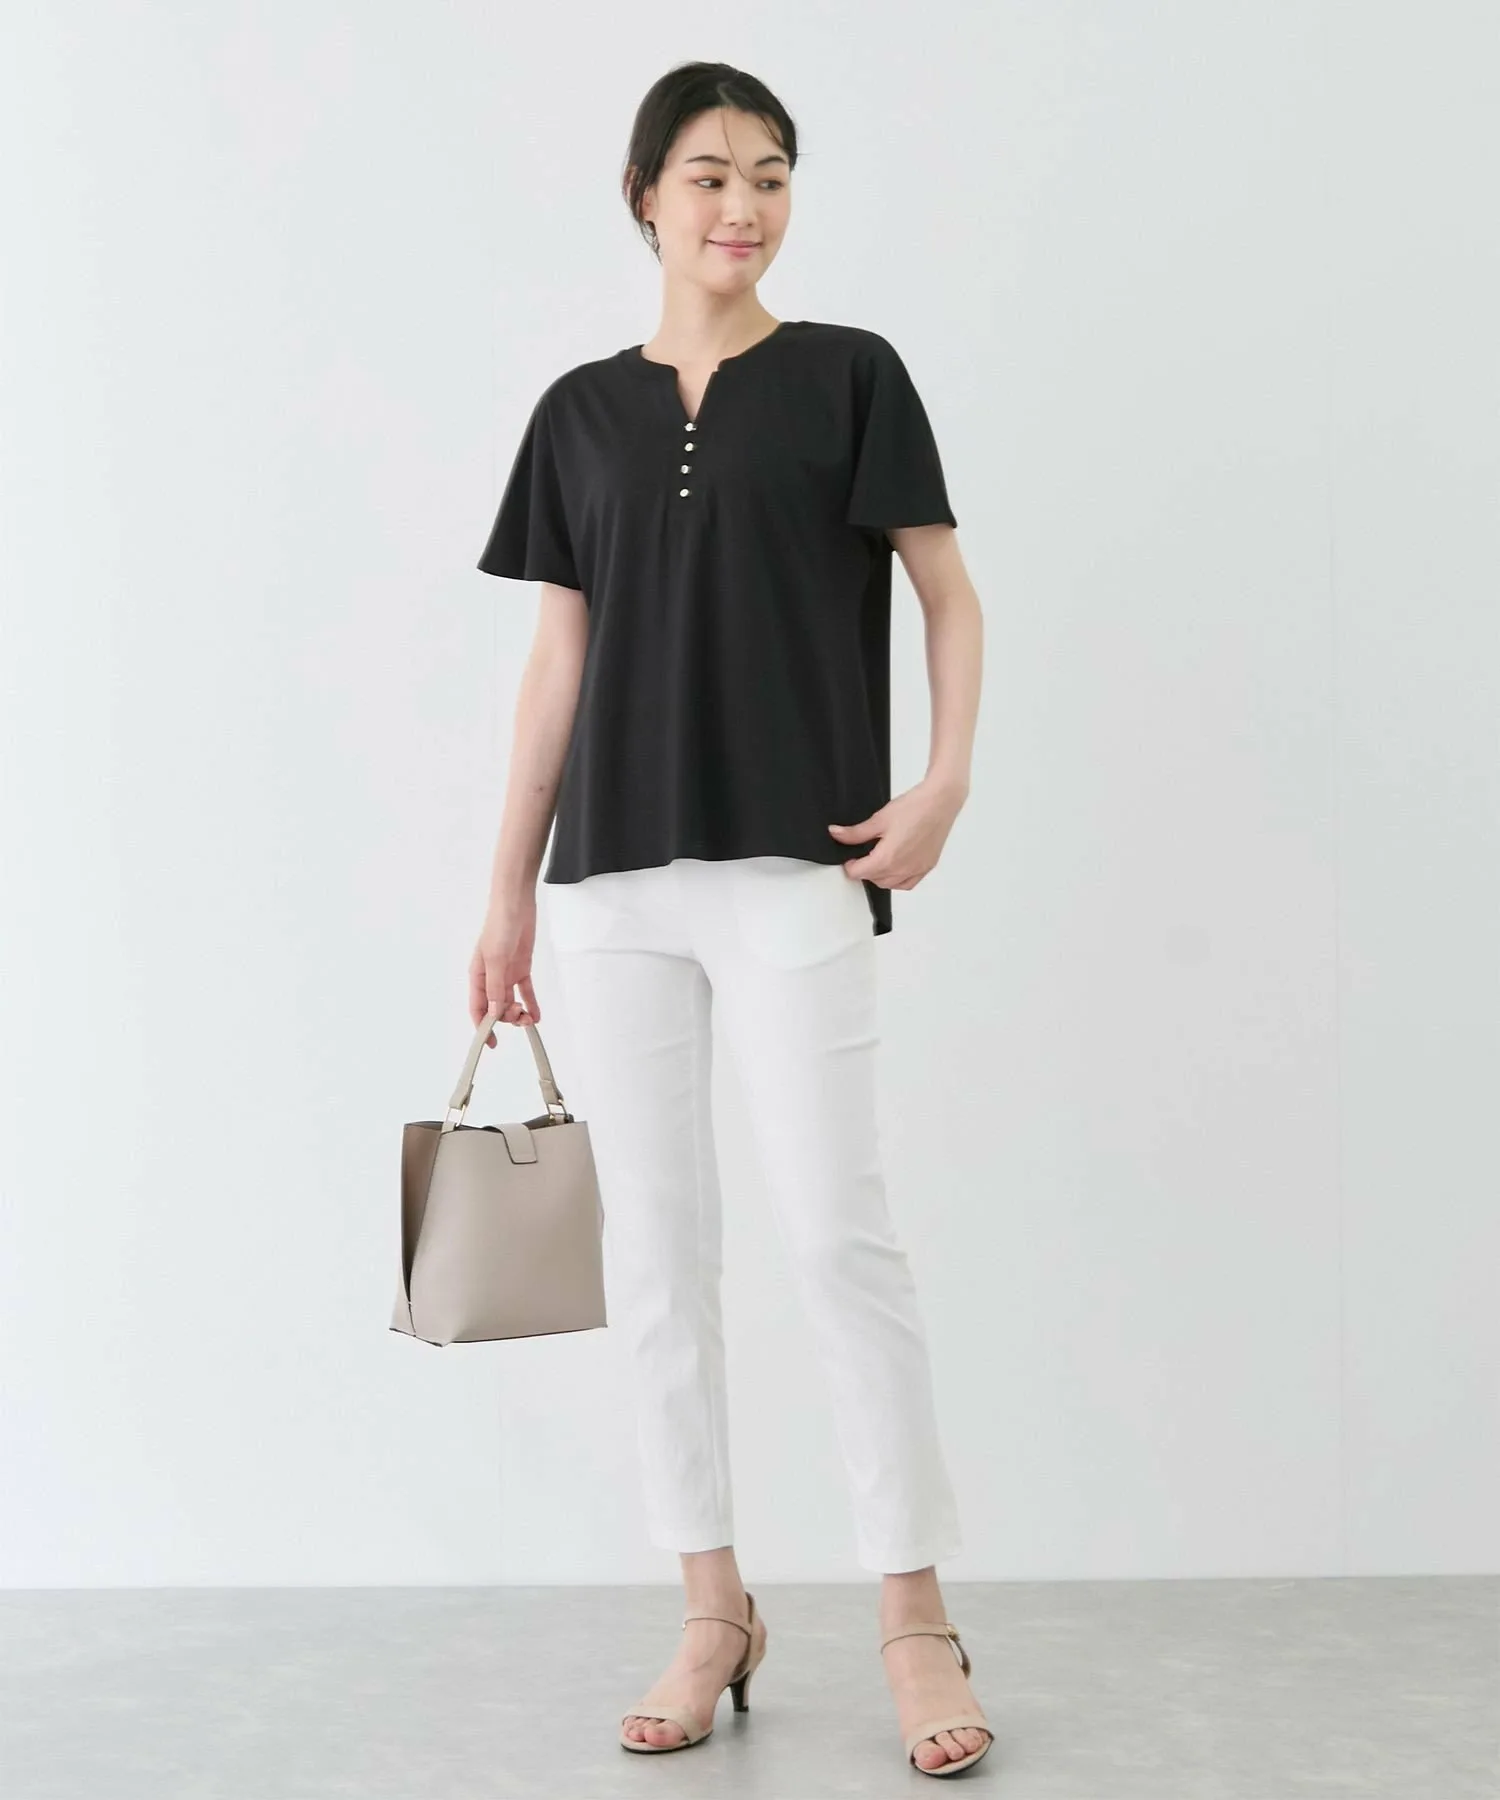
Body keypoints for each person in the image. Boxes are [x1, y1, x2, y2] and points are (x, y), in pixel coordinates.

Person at [467, 61, 991, 1778]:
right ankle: (713, 1606)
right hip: (616, 884)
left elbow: (947, 592)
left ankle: (913, 1616)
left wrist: (944, 780)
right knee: (656, 1257)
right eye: (707, 175)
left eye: (769, 174)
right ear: (645, 195)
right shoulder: (578, 414)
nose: (742, 205)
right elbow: (558, 661)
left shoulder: (850, 376)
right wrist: (506, 888)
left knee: (838, 1236)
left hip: (794, 865)